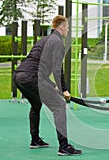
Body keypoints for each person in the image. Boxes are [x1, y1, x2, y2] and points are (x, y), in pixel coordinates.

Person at [13, 15, 82, 156]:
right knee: (59, 106)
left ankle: (35, 140)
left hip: (19, 76)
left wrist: (52, 85)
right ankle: (64, 146)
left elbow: (40, 67)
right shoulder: (57, 42)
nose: (68, 31)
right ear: (61, 27)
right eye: (67, 27)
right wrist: (64, 89)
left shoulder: (44, 40)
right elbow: (57, 69)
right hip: (32, 78)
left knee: (36, 104)